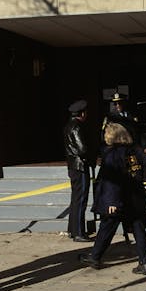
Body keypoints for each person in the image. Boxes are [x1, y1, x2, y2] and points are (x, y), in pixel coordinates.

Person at [79, 123, 146, 275]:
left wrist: (112, 201)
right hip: (135, 197)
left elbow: (112, 180)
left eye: (106, 133)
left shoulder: (113, 154)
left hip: (119, 199)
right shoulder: (133, 150)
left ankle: (95, 256)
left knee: (107, 227)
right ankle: (144, 263)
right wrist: (143, 181)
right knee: (138, 229)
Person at [63, 99, 94, 242]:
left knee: (75, 199)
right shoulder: (77, 127)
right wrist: (91, 156)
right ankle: (79, 232)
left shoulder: (68, 125)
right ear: (81, 113)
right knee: (81, 199)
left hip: (73, 166)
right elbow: (82, 149)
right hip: (80, 166)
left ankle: (72, 229)